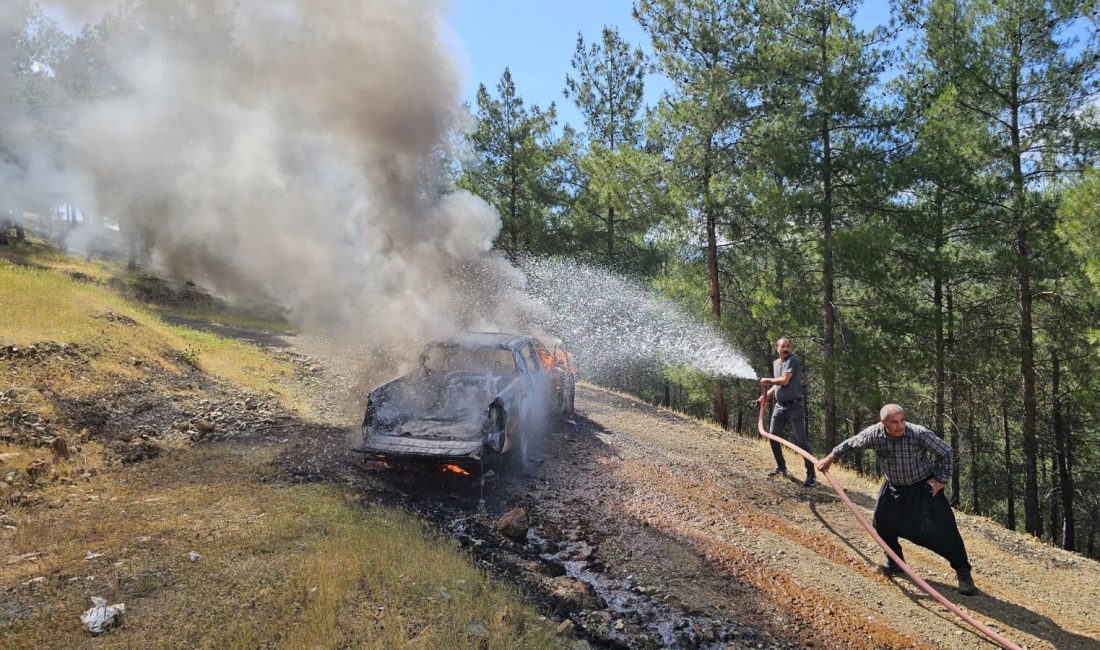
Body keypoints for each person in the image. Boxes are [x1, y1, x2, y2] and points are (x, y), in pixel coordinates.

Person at [817, 404, 976, 595]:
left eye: (902, 420)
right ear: (883, 423)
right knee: (882, 523)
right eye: (894, 422)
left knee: (943, 529)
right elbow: (852, 443)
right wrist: (830, 457)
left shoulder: (918, 433)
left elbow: (946, 452)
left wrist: (941, 480)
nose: (900, 426)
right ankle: (895, 561)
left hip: (923, 488)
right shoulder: (874, 434)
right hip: (893, 486)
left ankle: (963, 572)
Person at [758, 337, 815, 487]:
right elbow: (777, 385)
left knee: (801, 441)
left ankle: (811, 475)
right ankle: (781, 468)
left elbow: (784, 380)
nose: (786, 349)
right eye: (783, 346)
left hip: (794, 407)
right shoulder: (776, 363)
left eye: (788, 346)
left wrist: (767, 380)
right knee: (772, 436)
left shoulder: (792, 361)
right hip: (779, 407)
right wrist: (763, 398)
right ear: (777, 349)